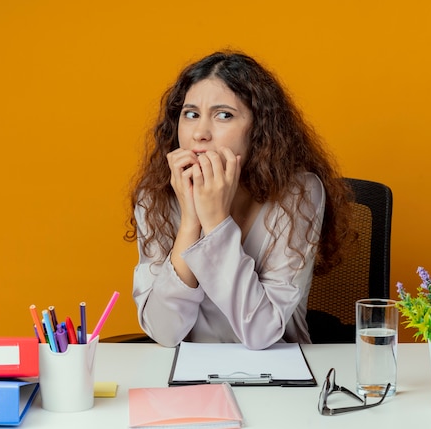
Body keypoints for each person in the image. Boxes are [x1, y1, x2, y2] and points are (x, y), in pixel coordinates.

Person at [127, 51, 353, 350]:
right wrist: (190, 224)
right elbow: (165, 332)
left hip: (279, 371)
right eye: (191, 114)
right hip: (190, 375)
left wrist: (216, 221)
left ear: (258, 130)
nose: (200, 133)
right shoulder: (155, 196)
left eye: (224, 115)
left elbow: (261, 332)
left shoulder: (298, 194)